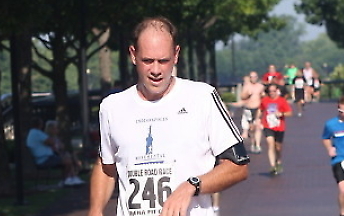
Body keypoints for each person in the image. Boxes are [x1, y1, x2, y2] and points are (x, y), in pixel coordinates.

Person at [89, 17, 249, 216]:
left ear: (176, 55)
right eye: (147, 61)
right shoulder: (112, 107)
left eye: (163, 61)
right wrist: (95, 210)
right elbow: (105, 165)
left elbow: (238, 166)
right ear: (133, 55)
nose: (156, 70)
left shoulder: (202, 97)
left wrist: (192, 186)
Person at [26, 116, 84, 186]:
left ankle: (71, 178)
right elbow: (51, 142)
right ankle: (67, 179)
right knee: (67, 161)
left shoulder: (32, 133)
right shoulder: (37, 133)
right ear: (40, 124)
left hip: (45, 158)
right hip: (44, 159)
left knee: (67, 157)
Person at [259, 84, 292, 175]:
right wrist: (257, 120)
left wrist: (281, 114)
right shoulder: (265, 100)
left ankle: (278, 161)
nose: (272, 93)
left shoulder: (282, 101)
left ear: (277, 91)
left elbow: (289, 113)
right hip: (268, 125)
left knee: (278, 147)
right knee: (270, 144)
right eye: (270, 91)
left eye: (274, 91)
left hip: (279, 126)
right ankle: (272, 166)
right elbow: (260, 109)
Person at [239, 71, 265, 154]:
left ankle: (258, 145)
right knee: (251, 128)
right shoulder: (246, 86)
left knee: (258, 126)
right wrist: (247, 95)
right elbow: (242, 97)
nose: (253, 78)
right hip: (249, 108)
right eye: (251, 77)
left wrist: (263, 95)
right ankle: (253, 143)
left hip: (258, 108)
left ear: (257, 77)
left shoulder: (260, 86)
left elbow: (263, 96)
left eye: (255, 77)